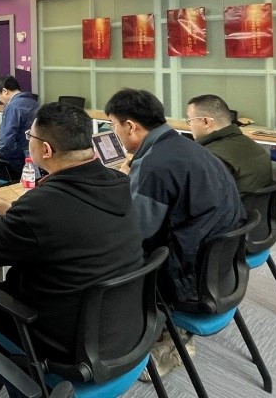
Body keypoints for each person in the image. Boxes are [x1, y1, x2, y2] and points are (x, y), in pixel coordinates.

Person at [0, 102, 144, 365]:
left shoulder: (41, 204)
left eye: (30, 137)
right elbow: (73, 219)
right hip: (125, 332)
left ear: (45, 149)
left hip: (68, 347)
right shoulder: (117, 183)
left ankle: (28, 376)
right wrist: (14, 211)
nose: (28, 141)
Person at [104, 88, 245, 377]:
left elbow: (136, 235)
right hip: (221, 268)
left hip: (188, 279)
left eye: (113, 126)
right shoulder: (187, 146)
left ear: (130, 126)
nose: (113, 133)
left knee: (101, 256)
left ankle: (146, 341)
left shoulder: (155, 165)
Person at [186, 94, 273, 194]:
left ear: (206, 122)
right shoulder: (254, 146)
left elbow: (198, 196)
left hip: (233, 203)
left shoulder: (210, 157)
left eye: (190, 120)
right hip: (254, 203)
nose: (189, 126)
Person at [0, 75, 38, 178]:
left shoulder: (12, 107)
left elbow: (6, 142)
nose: (0, 100)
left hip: (18, 161)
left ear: (5, 91)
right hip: (35, 156)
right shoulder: (34, 103)